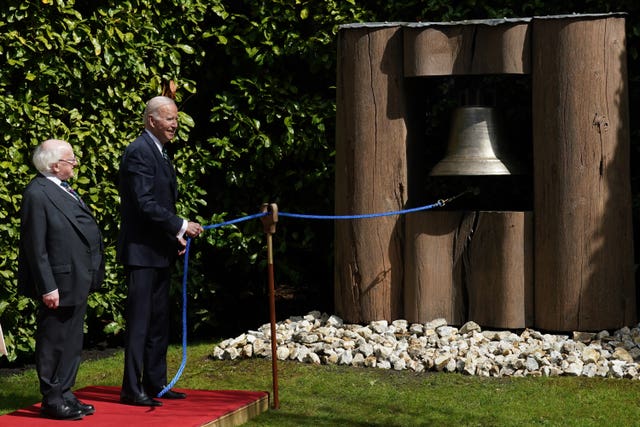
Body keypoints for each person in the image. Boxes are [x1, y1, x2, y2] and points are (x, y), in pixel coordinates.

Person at [117, 96, 203, 407]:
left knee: (157, 323)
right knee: (139, 323)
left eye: (176, 119)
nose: (175, 124)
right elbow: (144, 204)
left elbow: (159, 205)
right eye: (169, 119)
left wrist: (174, 237)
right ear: (152, 120)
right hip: (140, 254)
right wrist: (182, 225)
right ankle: (131, 387)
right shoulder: (139, 152)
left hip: (159, 251)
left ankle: (155, 383)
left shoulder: (161, 153)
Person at [18, 139, 105, 420]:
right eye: (70, 159)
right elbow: (35, 245)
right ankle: (52, 398)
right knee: (54, 340)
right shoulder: (37, 192)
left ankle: (66, 391)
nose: (75, 163)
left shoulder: (62, 188)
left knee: (72, 340)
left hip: (77, 278)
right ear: (54, 165)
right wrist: (48, 286)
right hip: (58, 281)